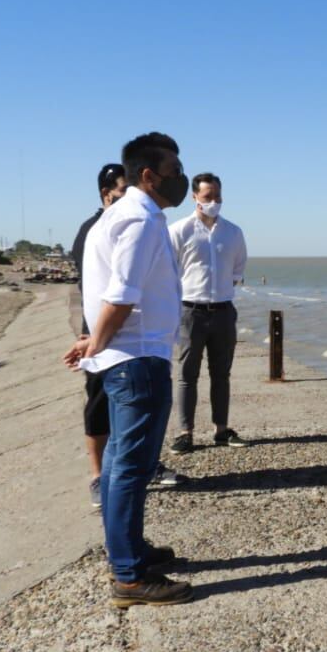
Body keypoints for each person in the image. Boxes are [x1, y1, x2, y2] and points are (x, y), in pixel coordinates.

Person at [63, 132, 194, 608]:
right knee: (130, 470)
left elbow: (103, 291)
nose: (179, 177)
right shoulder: (140, 219)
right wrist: (97, 339)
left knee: (121, 464)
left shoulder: (113, 217)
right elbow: (120, 293)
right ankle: (130, 577)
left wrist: (93, 340)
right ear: (148, 174)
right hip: (137, 359)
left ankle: (129, 551)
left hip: (125, 355)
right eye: (175, 169)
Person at [167, 172, 249, 453]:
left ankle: (221, 430)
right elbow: (169, 271)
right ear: (194, 197)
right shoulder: (179, 230)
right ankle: (185, 432)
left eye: (218, 196)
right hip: (190, 311)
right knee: (188, 374)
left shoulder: (233, 232)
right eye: (208, 196)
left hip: (224, 311)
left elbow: (238, 270)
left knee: (221, 374)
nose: (214, 201)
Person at [71, 163, 127, 509]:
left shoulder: (126, 224)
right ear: (107, 193)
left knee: (129, 404)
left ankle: (133, 466)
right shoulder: (91, 230)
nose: (128, 197)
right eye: (123, 191)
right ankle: (97, 475)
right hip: (98, 331)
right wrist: (90, 335)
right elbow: (92, 288)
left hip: (129, 333)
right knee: (99, 402)